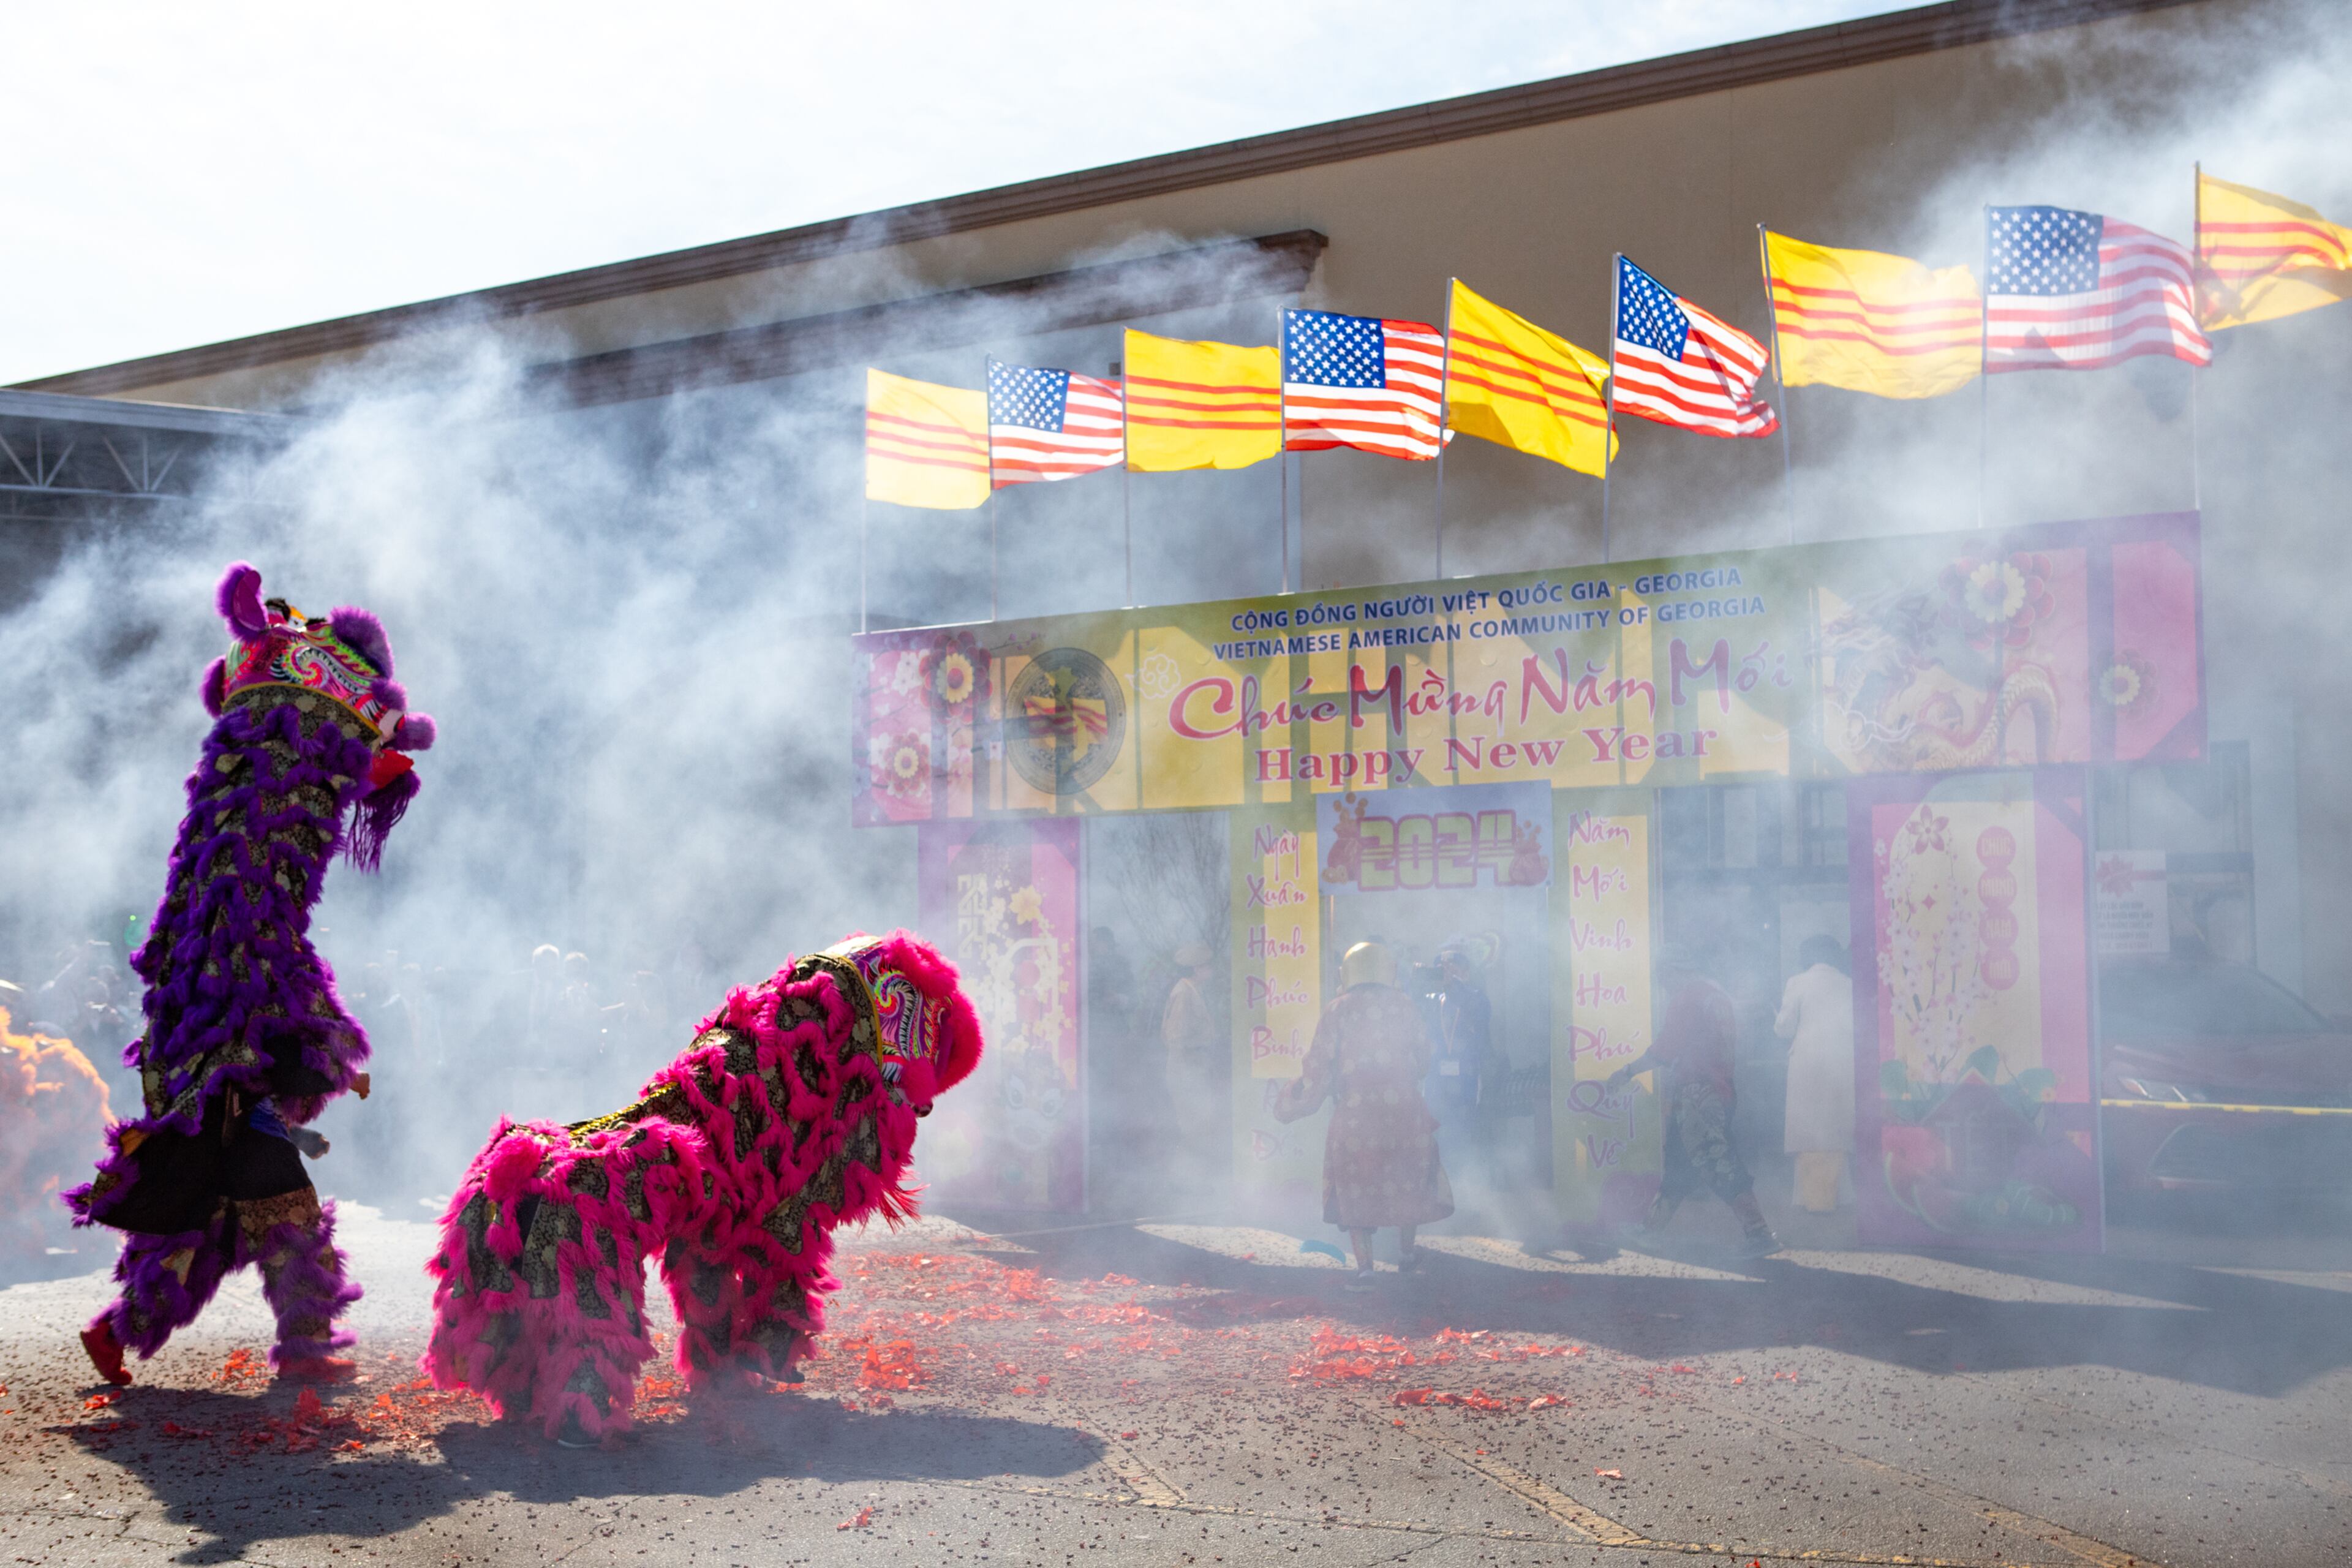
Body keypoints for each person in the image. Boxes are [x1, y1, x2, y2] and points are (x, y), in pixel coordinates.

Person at [66, 562, 436, 1387]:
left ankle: (123, 1330)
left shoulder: (238, 868)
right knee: (259, 1182)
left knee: (217, 1203)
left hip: (215, 999)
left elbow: (375, 772)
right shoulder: (234, 883)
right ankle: (304, 1344)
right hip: (224, 999)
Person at [424, 931, 984, 1447]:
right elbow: (791, 1217)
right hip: (672, 1161)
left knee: (710, 1216)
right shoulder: (819, 1076)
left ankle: (698, 1369)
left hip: (701, 1148)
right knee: (662, 1203)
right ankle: (582, 1402)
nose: (921, 1109)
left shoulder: (776, 1045)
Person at [1273, 941, 1453, 1290]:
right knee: (1409, 1178)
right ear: (1388, 971)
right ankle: (1407, 1254)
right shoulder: (1405, 1006)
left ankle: (1366, 1271)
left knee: (1356, 1185)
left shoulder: (1337, 1010)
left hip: (1356, 1116)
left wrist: (1292, 1102)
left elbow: (1319, 1069)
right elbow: (1424, 1059)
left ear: (1348, 972)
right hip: (1406, 1111)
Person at [1607, 951, 1778, 1257]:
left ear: (1673, 970)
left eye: (1662, 978)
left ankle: (1760, 1234)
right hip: (1718, 1089)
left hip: (1698, 1094)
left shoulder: (1688, 998)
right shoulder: (1717, 995)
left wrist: (1626, 1072)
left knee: (1718, 1163)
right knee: (1678, 1164)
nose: (1663, 987)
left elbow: (1664, 1049)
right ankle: (1650, 1230)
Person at [1775, 936, 1855, 1214]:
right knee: (1835, 1128)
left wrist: (1777, 1020)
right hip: (1841, 1061)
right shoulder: (1848, 983)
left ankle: (1809, 1198)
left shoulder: (1797, 982)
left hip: (1807, 1064)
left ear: (1807, 956)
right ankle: (1840, 1196)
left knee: (1808, 1131)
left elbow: (1784, 1028)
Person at [1424, 940, 1499, 1188]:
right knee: (1435, 1134)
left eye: (1453, 968)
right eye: (1441, 968)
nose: (1447, 973)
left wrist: (1452, 987)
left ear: (1465, 973)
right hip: (1436, 1080)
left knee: (1465, 1134)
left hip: (1465, 1079)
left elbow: (1477, 1017)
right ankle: (1439, 1189)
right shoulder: (1430, 999)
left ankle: (1466, 1191)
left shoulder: (1476, 998)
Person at [1161, 941, 1223, 1181]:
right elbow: (1176, 1038)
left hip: (1191, 1071)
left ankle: (1193, 1179)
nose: (1210, 971)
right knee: (1193, 1129)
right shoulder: (1185, 993)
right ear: (1197, 969)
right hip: (1186, 1072)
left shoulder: (1189, 990)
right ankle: (1188, 1180)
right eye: (1207, 966)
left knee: (1198, 1127)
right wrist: (1199, 1051)